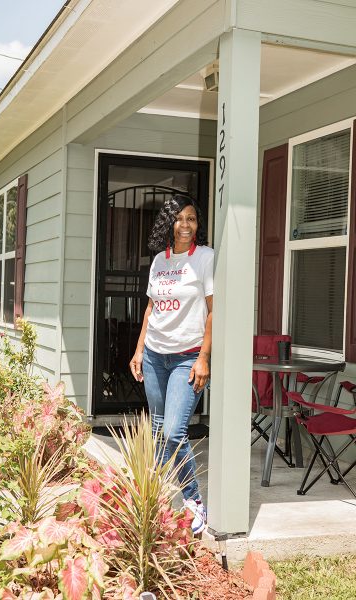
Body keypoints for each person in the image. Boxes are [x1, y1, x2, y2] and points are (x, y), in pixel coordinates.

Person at [129, 194, 213, 534]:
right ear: (169, 223)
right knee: (158, 430)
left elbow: (213, 310)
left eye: (191, 219)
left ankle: (194, 500)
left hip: (186, 357)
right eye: (179, 218)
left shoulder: (205, 258)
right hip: (154, 355)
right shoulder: (159, 261)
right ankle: (160, 499)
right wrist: (138, 351)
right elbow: (151, 309)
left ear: (197, 225)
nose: (186, 225)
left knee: (174, 430)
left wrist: (204, 358)